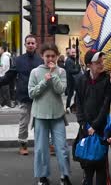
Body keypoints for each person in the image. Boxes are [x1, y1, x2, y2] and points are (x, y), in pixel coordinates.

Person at [0, 34, 43, 155]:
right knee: (24, 121)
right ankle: (23, 144)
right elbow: (8, 76)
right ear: (25, 45)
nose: (31, 45)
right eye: (28, 43)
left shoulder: (41, 60)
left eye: (33, 43)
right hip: (24, 95)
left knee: (40, 122)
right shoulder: (18, 60)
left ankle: (43, 144)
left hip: (39, 96)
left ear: (36, 45)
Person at [28, 43, 71, 185]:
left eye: (53, 56)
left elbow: (61, 90)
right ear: (42, 56)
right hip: (40, 115)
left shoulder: (61, 71)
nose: (50, 58)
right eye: (47, 56)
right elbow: (32, 93)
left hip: (57, 115)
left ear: (57, 56)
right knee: (41, 148)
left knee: (62, 147)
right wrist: (44, 81)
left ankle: (65, 176)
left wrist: (53, 75)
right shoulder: (35, 72)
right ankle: (42, 176)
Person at [75, 49, 111, 185]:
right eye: (97, 62)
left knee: (101, 164)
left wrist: (95, 125)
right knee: (87, 163)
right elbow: (78, 103)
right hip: (85, 127)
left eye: (102, 62)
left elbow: (106, 105)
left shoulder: (107, 80)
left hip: (101, 128)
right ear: (89, 64)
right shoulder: (81, 80)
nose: (101, 65)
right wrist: (84, 124)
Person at [0, 44, 13, 109]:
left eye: (0, 49)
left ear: (3, 50)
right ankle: (2, 104)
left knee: (5, 90)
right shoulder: (3, 56)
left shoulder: (5, 57)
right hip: (3, 75)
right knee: (1, 90)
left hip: (5, 75)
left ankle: (8, 104)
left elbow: (3, 67)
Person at [65, 48, 81, 113]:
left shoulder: (72, 60)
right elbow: (70, 70)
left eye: (75, 52)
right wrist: (78, 69)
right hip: (71, 80)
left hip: (73, 80)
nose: (74, 53)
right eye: (72, 52)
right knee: (70, 94)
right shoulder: (69, 60)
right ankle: (68, 107)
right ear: (70, 53)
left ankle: (72, 107)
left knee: (74, 93)